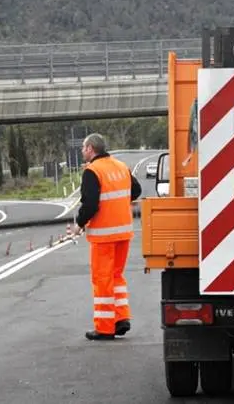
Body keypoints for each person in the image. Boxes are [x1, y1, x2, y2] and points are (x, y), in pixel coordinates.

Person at [72, 133, 142, 341]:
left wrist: (79, 224)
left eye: (83, 147)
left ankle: (104, 327)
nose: (82, 151)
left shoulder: (92, 171)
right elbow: (136, 190)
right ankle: (121, 319)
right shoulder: (121, 166)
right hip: (123, 232)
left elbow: (90, 204)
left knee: (102, 279)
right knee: (116, 276)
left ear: (91, 149)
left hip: (103, 235)